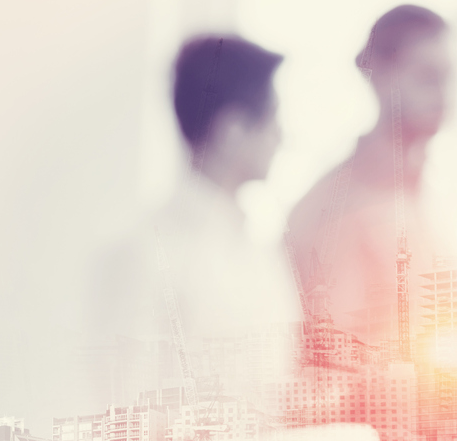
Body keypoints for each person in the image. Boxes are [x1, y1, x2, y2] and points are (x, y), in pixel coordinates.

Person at [90, 34, 302, 407]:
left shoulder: (259, 247)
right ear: (233, 129)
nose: (283, 137)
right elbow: (121, 420)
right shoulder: (145, 254)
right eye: (273, 119)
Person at [285, 4, 452, 347]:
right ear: (379, 76)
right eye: (427, 77)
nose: (444, 96)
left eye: (448, 78)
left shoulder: (429, 196)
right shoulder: (327, 211)